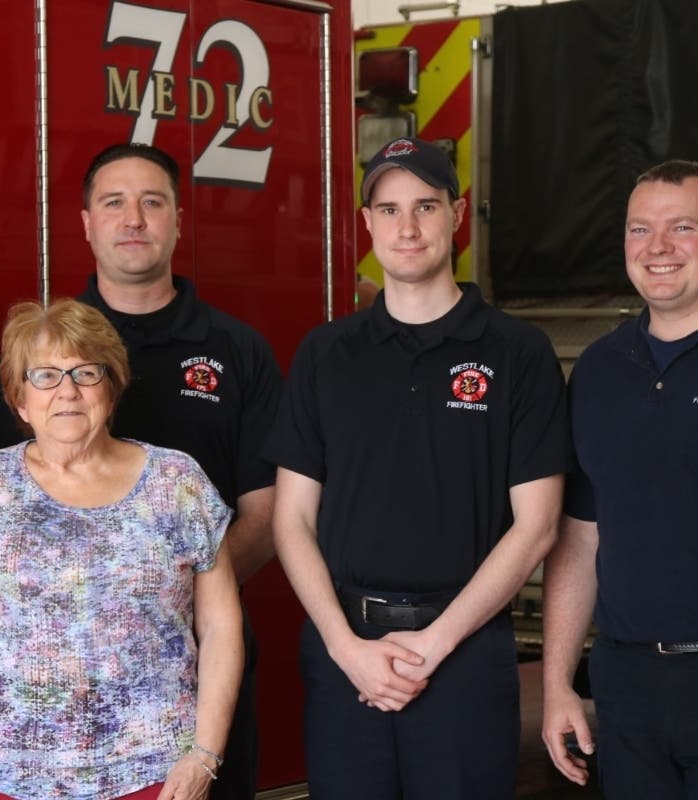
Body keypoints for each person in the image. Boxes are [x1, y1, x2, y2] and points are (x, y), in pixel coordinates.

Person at [265, 136, 569, 799]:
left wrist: (432, 645)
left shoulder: (518, 353)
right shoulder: (324, 355)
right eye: (389, 209)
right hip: (343, 652)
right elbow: (290, 519)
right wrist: (346, 648)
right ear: (366, 223)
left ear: (456, 214)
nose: (406, 228)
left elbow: (537, 526)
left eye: (425, 207)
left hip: (464, 656)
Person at [0, 143, 281, 799]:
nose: (133, 218)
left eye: (152, 201)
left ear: (177, 219)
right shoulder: (43, 351)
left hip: (202, 666)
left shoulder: (238, 350)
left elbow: (269, 509)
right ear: (86, 222)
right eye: (114, 202)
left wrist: (179, 602)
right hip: (56, 712)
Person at [0, 298, 243, 800]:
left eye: (86, 373)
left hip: (155, 774)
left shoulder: (177, 481)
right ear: (19, 399)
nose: (68, 392)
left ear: (112, 387)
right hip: (9, 775)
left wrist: (204, 755)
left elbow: (222, 625)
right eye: (45, 376)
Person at [542, 159, 698, 797]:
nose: (657, 248)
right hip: (626, 684)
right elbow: (580, 536)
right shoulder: (599, 369)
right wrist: (556, 684)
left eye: (682, 227)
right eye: (638, 229)